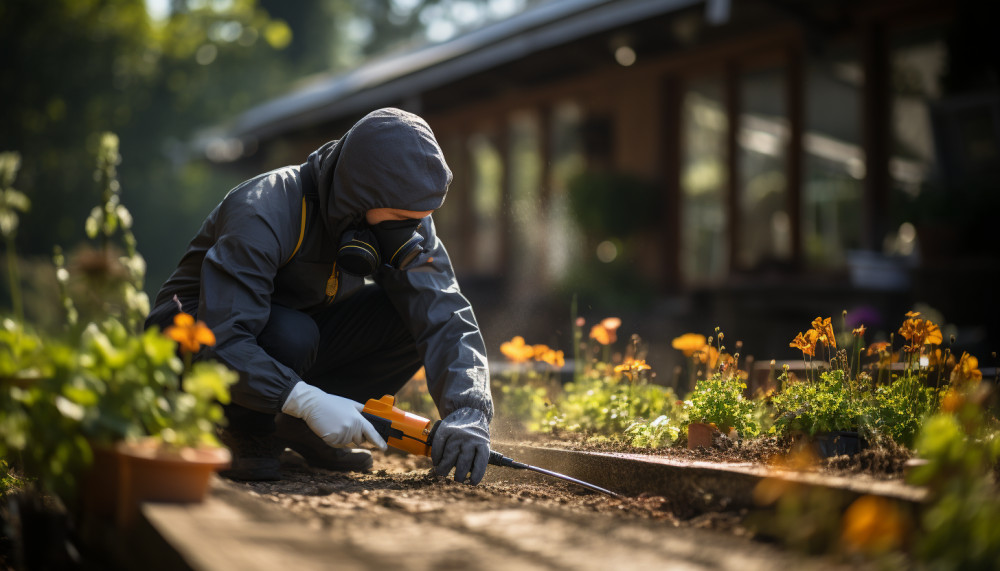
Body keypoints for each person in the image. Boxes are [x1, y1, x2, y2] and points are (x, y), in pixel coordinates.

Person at [145, 108, 493, 485]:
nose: (412, 235)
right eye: (401, 219)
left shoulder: (403, 217)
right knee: (291, 333)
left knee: (409, 315)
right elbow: (226, 336)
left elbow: (444, 313)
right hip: (196, 342)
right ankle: (244, 432)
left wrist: (468, 411)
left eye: (420, 220)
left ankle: (303, 432)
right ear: (359, 196)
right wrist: (306, 400)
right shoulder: (263, 209)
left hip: (291, 339)